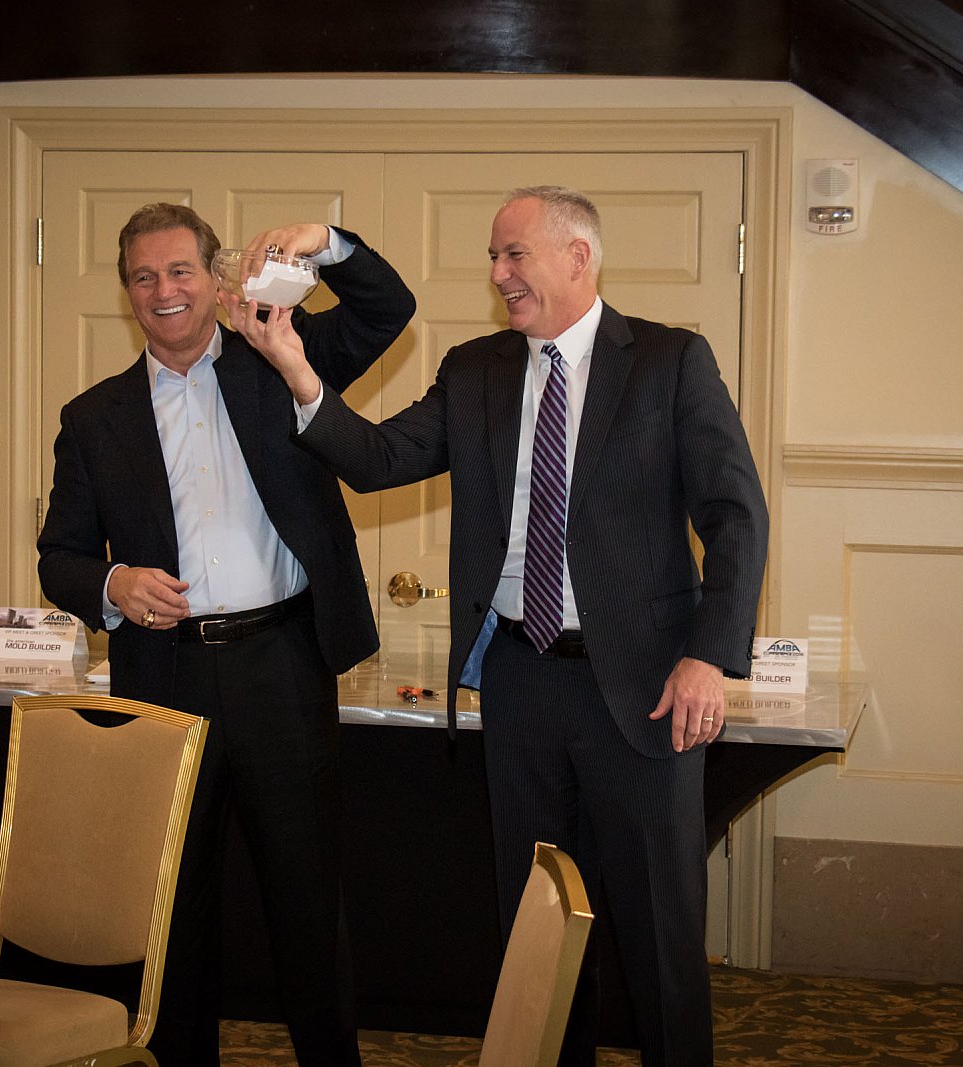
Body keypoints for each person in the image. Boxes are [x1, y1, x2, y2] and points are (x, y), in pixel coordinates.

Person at [238, 185, 769, 1066]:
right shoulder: (476, 369)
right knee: (539, 942)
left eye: (514, 253)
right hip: (521, 687)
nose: (498, 274)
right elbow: (379, 459)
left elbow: (735, 516)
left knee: (659, 941)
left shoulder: (670, 361)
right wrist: (297, 369)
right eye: (494, 256)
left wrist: (709, 657)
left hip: (642, 691)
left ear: (578, 256)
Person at [37, 203, 414, 1066]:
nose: (163, 291)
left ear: (216, 278)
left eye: (180, 271)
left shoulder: (279, 354)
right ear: (127, 292)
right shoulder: (94, 417)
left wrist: (328, 241)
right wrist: (112, 584)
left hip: (282, 667)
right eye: (143, 277)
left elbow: (388, 309)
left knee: (307, 903)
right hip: (163, 680)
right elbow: (59, 557)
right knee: (173, 908)